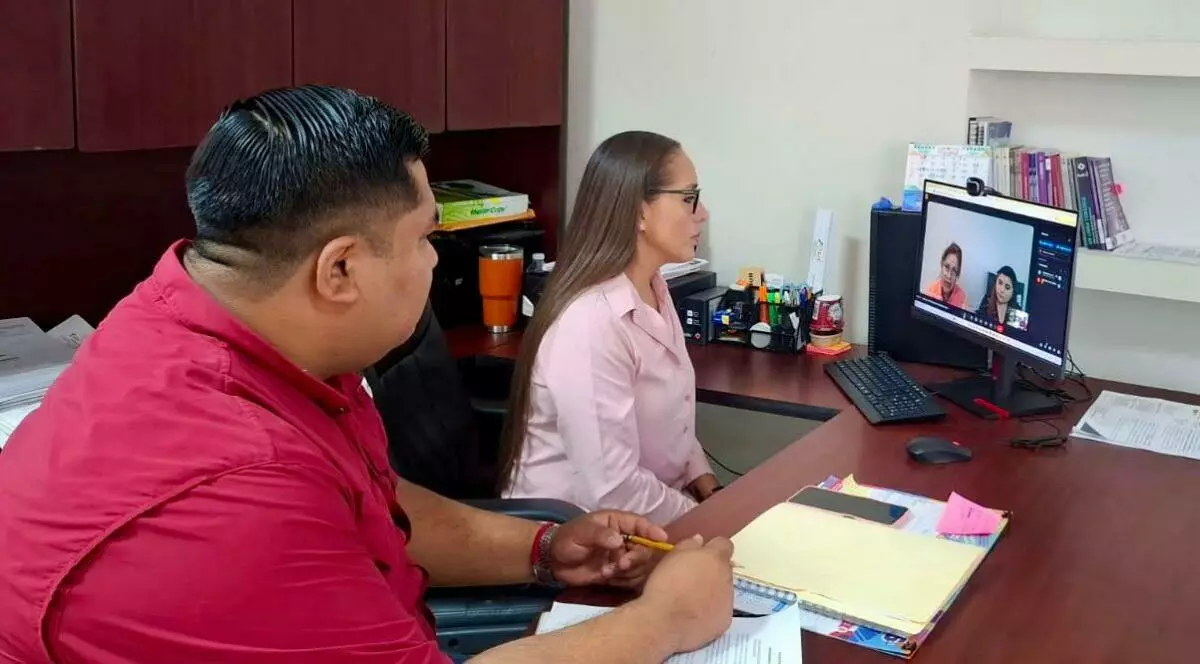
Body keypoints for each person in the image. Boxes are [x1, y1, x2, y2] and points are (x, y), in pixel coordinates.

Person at [0, 86, 735, 664]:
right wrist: (665, 621)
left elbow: (371, 501)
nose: (436, 260)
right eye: (425, 237)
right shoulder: (236, 488)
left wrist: (542, 550)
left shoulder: (217, 323)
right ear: (341, 269)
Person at [499, 131, 721, 525]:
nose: (702, 213)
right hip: (575, 533)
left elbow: (676, 419)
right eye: (689, 198)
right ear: (639, 212)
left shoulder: (653, 286)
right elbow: (612, 492)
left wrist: (709, 487)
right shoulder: (590, 322)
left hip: (648, 513)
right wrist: (708, 520)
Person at [924, 242, 967, 308]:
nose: (949, 276)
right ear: (941, 265)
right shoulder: (931, 291)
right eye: (947, 267)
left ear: (958, 274)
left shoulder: (962, 299)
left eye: (954, 271)